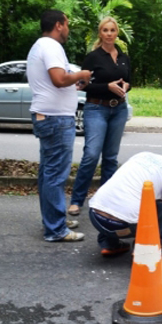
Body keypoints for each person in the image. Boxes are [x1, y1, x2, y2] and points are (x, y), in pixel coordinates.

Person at [27, 9, 92, 242]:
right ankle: (56, 229)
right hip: (56, 119)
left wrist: (73, 86)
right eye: (67, 24)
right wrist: (81, 74)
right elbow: (58, 79)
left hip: (48, 116)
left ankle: (53, 220)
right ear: (58, 25)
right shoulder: (52, 46)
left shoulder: (39, 46)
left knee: (48, 173)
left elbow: (55, 82)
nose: (68, 29)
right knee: (55, 175)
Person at [88, 147, 162, 262]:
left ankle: (109, 244)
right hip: (123, 228)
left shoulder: (143, 155)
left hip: (95, 217)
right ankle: (145, 249)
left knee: (124, 197)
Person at [68, 17, 131, 216]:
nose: (109, 33)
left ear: (117, 33)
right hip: (97, 109)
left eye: (112, 30)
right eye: (105, 30)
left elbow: (130, 79)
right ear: (100, 33)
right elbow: (82, 85)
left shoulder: (123, 56)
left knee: (111, 158)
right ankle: (77, 200)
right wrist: (107, 87)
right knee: (91, 155)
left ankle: (106, 201)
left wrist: (126, 86)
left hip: (119, 109)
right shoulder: (93, 57)